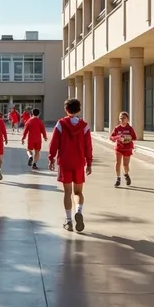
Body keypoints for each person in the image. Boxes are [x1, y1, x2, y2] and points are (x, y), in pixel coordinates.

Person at [48, 98, 92, 233]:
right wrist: (89, 162)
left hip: (65, 162)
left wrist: (51, 158)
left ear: (66, 110)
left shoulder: (61, 124)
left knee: (67, 192)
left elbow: (54, 143)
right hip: (79, 163)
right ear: (79, 110)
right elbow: (88, 146)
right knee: (78, 192)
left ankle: (68, 221)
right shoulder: (84, 126)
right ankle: (78, 211)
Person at [110, 111, 137, 187]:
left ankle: (126, 174)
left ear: (127, 119)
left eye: (123, 118)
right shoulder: (117, 128)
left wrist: (128, 138)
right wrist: (118, 137)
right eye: (120, 118)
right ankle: (118, 178)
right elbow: (111, 138)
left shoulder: (130, 128)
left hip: (127, 149)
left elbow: (134, 138)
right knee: (117, 163)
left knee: (126, 165)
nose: (121, 119)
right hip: (119, 148)